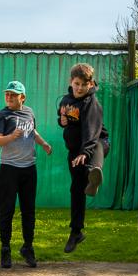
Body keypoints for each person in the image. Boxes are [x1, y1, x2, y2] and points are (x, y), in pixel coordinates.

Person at [0, 81, 52, 268]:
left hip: (29, 169)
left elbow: (32, 131)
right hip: (9, 168)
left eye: (13, 94)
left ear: (22, 97)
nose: (9, 97)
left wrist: (43, 144)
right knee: (7, 210)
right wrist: (11, 137)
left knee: (28, 210)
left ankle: (28, 247)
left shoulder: (29, 112)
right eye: (7, 94)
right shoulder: (2, 115)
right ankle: (5, 249)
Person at [57, 63, 110, 254]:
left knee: (94, 150)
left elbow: (91, 131)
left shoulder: (92, 103)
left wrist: (84, 153)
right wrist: (61, 120)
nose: (79, 88)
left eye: (83, 85)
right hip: (76, 151)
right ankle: (76, 232)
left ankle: (93, 175)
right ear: (71, 82)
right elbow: (64, 116)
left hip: (95, 145)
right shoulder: (66, 100)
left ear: (90, 84)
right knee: (76, 190)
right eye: (77, 84)